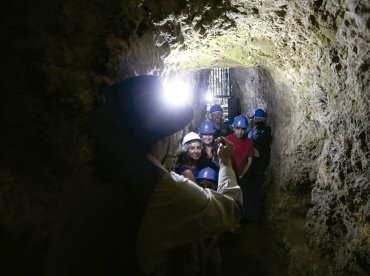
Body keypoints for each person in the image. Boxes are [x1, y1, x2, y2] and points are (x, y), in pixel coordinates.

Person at [43, 75, 242, 276]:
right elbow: (232, 210)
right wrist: (225, 162)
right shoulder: (159, 187)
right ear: (163, 140)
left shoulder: (87, 174)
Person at [226, 115, 255, 179]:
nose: (240, 132)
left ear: (246, 129)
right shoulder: (227, 140)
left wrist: (242, 175)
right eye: (237, 128)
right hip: (229, 176)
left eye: (243, 129)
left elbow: (249, 161)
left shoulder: (249, 143)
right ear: (233, 128)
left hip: (242, 176)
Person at [249, 108, 272, 173]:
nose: (254, 121)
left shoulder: (265, 131)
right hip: (255, 159)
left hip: (260, 161)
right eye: (255, 119)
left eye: (255, 119)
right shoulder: (254, 130)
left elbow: (260, 145)